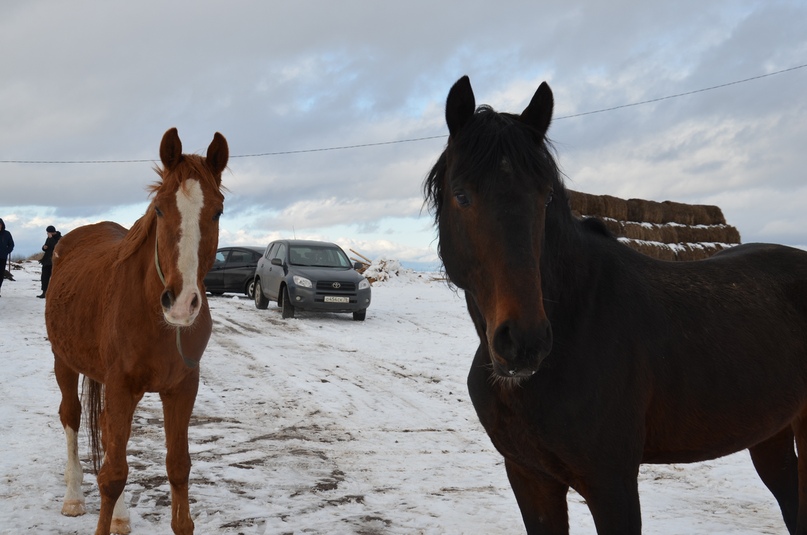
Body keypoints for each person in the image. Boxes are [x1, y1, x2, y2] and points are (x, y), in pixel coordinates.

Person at [39, 225, 62, 298]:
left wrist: (51, 238)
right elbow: (46, 246)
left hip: (55, 261)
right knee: (44, 277)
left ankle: (54, 293)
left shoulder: (60, 238)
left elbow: (56, 246)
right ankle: (44, 292)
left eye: (48, 232)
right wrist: (44, 247)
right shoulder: (48, 238)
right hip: (46, 261)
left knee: (54, 278)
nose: (47, 234)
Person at [0, 218, 14, 297]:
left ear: (2, 225)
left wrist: (7, 251)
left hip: (2, 257)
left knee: (0, 274)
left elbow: (11, 244)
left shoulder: (7, 234)